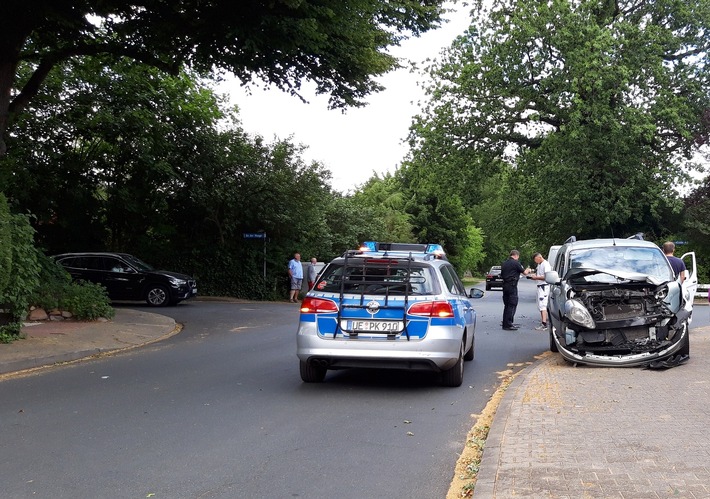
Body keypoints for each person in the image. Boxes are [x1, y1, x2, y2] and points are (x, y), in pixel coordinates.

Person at [501, 250, 532, 330]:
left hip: (505, 285)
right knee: (512, 304)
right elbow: (524, 272)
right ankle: (508, 324)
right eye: (518, 257)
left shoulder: (504, 263)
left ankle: (505, 323)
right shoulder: (515, 263)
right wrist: (528, 270)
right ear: (516, 256)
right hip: (512, 285)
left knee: (507, 305)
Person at [528, 252, 551, 330]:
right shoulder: (540, 264)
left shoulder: (546, 264)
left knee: (543, 305)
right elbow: (539, 274)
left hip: (544, 286)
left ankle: (544, 324)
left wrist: (536, 277)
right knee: (540, 305)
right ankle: (543, 321)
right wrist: (534, 276)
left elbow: (546, 276)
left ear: (539, 257)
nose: (535, 261)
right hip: (540, 286)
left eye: (535, 259)